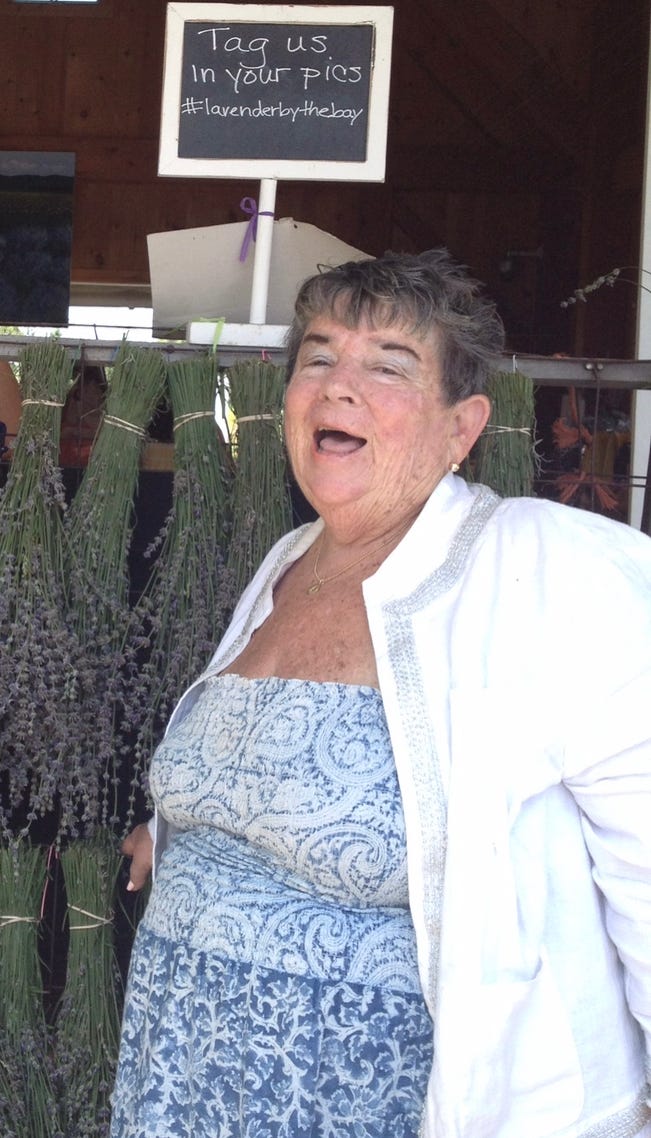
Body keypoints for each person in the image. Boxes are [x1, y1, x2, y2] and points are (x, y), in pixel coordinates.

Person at [112, 249, 651, 1138]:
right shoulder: (290, 561)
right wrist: (178, 827)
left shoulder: (547, 567)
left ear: (461, 427)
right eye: (317, 357)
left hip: (372, 1103)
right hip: (184, 1080)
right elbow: (277, 770)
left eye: (388, 367)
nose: (337, 387)